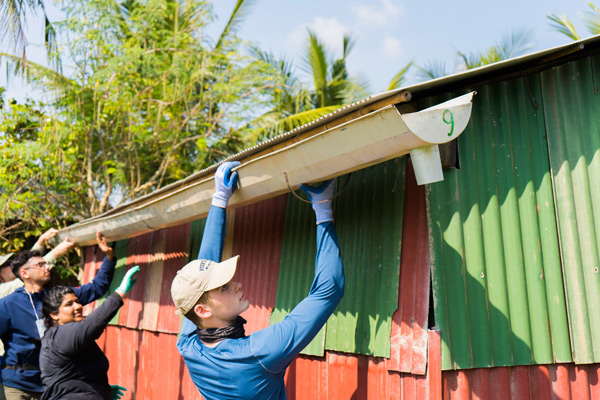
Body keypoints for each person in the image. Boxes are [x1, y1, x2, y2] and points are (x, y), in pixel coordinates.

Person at [171, 162, 345, 399]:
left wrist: (219, 200)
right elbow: (328, 291)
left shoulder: (189, 345)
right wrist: (323, 210)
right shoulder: (259, 352)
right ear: (202, 310)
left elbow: (204, 268)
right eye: (224, 287)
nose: (237, 284)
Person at [0, 232, 116, 400]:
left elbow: (97, 288)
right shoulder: (7, 305)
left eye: (46, 263)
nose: (47, 267)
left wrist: (109, 256)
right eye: (41, 265)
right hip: (18, 385)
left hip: (52, 384)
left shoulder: (58, 298)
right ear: (25, 274)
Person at [39, 266, 139, 400]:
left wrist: (100, 388)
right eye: (69, 304)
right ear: (54, 315)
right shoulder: (60, 335)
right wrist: (119, 293)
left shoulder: (64, 336)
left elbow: (71, 376)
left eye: (77, 301)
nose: (78, 306)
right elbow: (93, 323)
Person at [0, 229, 75, 400]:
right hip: (14, 372)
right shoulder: (5, 291)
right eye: (7, 264)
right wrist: (55, 253)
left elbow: (30, 266)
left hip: (35, 375)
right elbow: (29, 271)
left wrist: (41, 241)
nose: (10, 265)